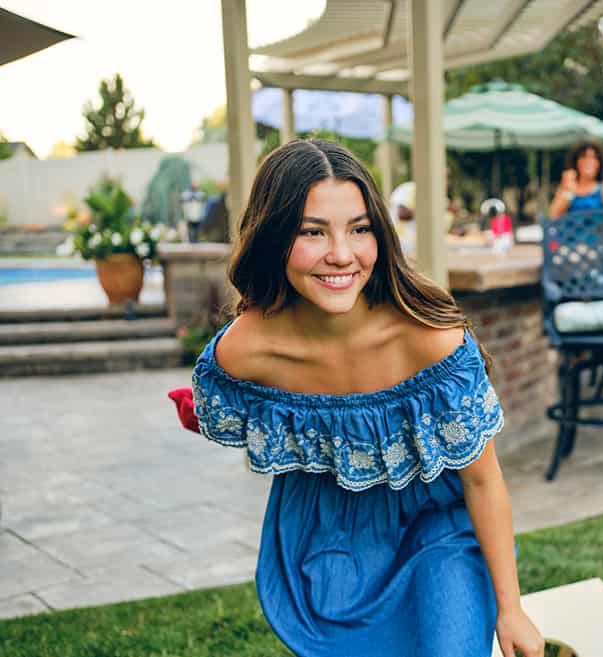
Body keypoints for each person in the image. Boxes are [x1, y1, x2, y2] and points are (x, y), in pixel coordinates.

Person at [183, 139, 544, 657]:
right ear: (273, 235)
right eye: (313, 231)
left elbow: (483, 478)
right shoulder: (244, 350)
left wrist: (512, 609)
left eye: (359, 228)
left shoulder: (430, 338)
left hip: (436, 527)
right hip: (324, 537)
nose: (342, 254)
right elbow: (218, 404)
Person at [548, 140, 603, 218]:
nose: (589, 161)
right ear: (576, 161)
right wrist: (568, 190)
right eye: (584, 157)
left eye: (594, 158)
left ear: (599, 163)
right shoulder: (567, 185)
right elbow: (553, 216)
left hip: (597, 237)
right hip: (569, 237)